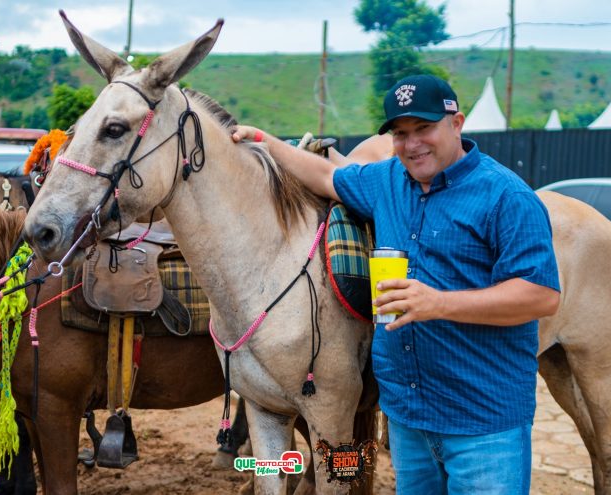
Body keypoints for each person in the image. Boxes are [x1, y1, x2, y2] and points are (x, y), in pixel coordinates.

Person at [231, 74, 560, 495]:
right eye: (401, 134)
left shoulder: (507, 197)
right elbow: (327, 177)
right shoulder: (388, 181)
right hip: (408, 420)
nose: (412, 143)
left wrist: (439, 303)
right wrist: (265, 140)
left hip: (482, 423)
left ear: (456, 123)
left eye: (424, 128)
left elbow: (541, 295)